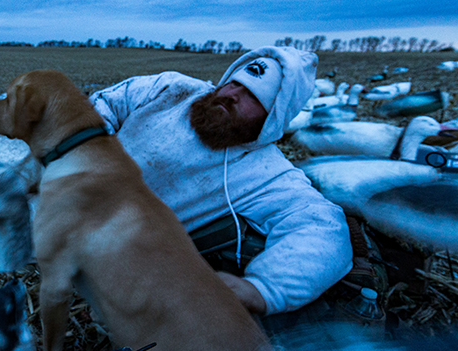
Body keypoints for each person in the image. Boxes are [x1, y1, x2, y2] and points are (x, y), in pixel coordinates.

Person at [89, 46, 352, 315]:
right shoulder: (173, 89)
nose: (232, 96)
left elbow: (324, 227)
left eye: (253, 96)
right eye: (235, 83)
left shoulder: (266, 174)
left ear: (272, 118)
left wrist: (264, 288)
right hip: (69, 193)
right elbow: (105, 104)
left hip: (106, 250)